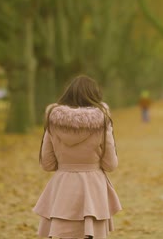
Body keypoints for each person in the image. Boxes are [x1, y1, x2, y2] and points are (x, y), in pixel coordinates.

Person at [33, 75, 122, 239]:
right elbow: (110, 164)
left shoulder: (53, 121)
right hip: (93, 191)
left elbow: (47, 164)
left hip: (62, 190)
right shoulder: (103, 122)